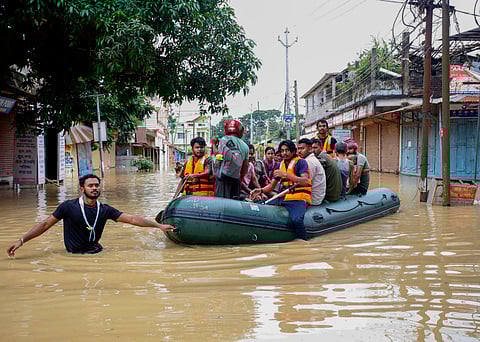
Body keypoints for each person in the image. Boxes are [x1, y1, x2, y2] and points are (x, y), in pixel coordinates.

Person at [7, 174, 175, 256]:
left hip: (97, 253)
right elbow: (44, 225)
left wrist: (158, 225)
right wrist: (21, 241)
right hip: (73, 257)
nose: (95, 188)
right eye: (91, 186)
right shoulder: (68, 207)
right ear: (82, 189)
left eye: (97, 185)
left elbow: (132, 219)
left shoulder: (105, 210)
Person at [252, 140, 311, 240]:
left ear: (293, 151)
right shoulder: (281, 165)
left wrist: (286, 175)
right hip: (284, 198)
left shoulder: (301, 163)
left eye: (287, 150)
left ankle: (304, 241)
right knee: (261, 205)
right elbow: (271, 186)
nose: (284, 153)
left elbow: (305, 181)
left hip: (299, 199)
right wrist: (260, 190)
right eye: (282, 151)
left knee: (296, 220)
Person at [213, 119, 249, 199]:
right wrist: (240, 180)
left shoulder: (222, 141)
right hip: (236, 179)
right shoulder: (245, 146)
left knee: (221, 204)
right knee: (234, 205)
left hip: (222, 179)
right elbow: (245, 167)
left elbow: (217, 157)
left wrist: (213, 146)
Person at [297, 138, 326, 205]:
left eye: (302, 148)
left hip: (314, 199)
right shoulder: (309, 159)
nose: (299, 151)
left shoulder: (309, 162)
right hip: (316, 195)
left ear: (310, 149)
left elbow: (305, 182)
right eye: (298, 149)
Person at [312, 138, 342, 203]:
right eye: (311, 148)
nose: (313, 150)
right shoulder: (327, 156)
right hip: (336, 193)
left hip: (330, 195)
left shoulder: (321, 158)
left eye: (315, 148)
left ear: (321, 147)